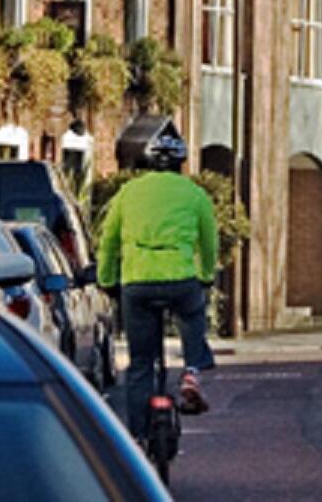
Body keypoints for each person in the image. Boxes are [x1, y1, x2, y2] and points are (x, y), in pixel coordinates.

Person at [97, 131, 218, 432]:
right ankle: (191, 369)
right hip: (180, 278)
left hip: (137, 283)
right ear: (181, 164)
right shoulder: (195, 194)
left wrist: (107, 280)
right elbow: (209, 241)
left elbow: (108, 241)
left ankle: (138, 434)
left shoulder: (128, 192)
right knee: (192, 316)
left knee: (140, 363)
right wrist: (206, 276)